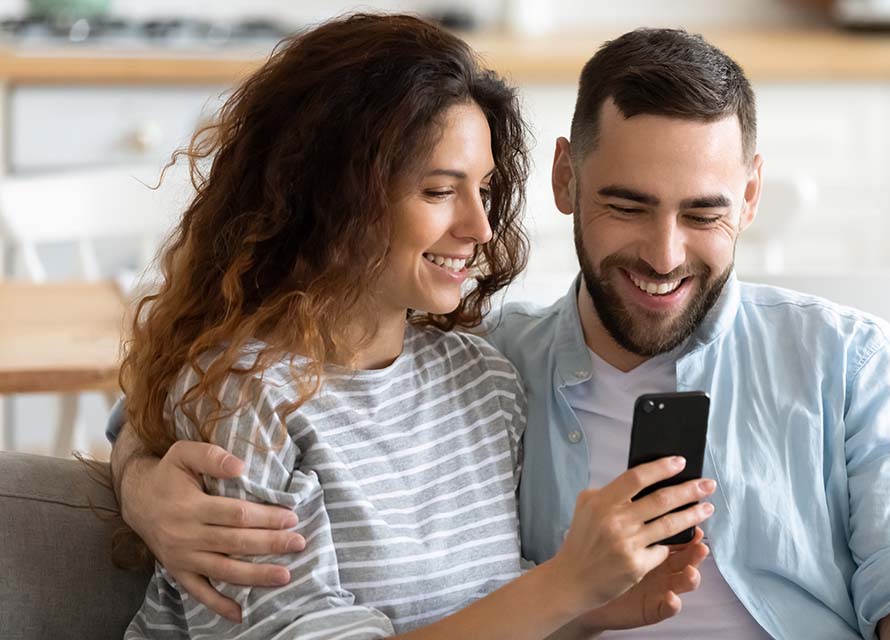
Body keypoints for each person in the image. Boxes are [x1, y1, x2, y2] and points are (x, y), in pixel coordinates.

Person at [110, 26, 890, 640]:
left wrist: (591, 605)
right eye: (627, 205)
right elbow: (189, 403)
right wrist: (142, 481)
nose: (664, 254)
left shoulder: (849, 360)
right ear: (568, 178)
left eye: (705, 212)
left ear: (751, 196)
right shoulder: (505, 361)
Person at [112, 14, 715, 640]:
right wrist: (564, 585)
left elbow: (488, 611)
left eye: (483, 188)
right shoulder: (246, 397)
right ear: (331, 196)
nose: (480, 228)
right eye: (437, 191)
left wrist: (595, 607)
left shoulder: (483, 380)